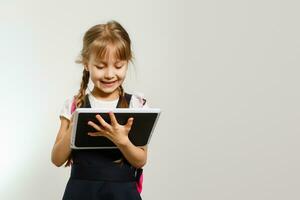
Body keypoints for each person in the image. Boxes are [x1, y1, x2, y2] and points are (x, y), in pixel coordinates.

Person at [51, 20, 149, 200]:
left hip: (122, 194)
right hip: (81, 193)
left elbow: (141, 160)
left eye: (118, 66)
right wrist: (74, 125)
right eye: (100, 66)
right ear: (86, 64)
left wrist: (123, 142)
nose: (110, 74)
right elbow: (57, 159)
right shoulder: (74, 105)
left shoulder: (136, 104)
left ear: (127, 62)